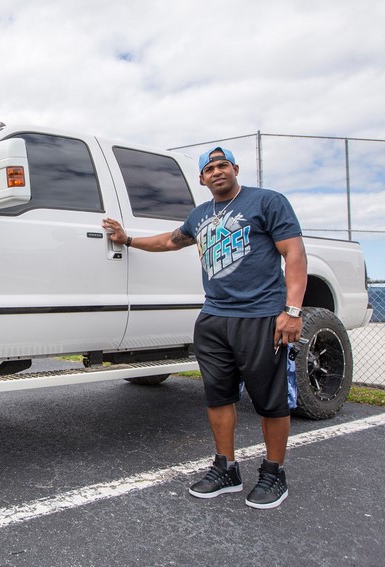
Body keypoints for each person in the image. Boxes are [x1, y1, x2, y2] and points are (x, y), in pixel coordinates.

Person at [102, 147, 307, 509]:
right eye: (209, 168)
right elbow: (169, 240)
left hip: (261, 315)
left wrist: (291, 310)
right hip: (214, 318)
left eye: (222, 165)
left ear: (235, 168)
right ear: (201, 179)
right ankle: (226, 468)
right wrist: (127, 239)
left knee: (270, 400)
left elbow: (293, 253)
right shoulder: (200, 215)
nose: (216, 171)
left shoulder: (267, 202)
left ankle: (274, 472)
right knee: (218, 395)